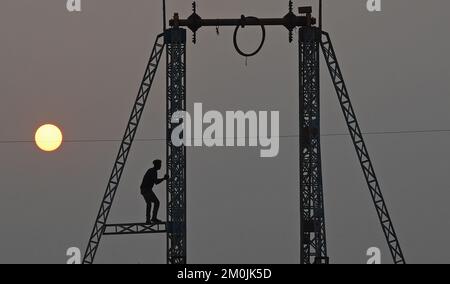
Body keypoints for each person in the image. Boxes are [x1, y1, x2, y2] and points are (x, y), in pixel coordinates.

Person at [141, 160, 169, 224]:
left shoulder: (152, 171)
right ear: (157, 165)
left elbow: (155, 181)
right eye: (160, 165)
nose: (160, 166)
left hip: (146, 189)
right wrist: (164, 179)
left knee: (150, 203)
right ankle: (152, 218)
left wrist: (163, 179)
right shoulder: (152, 171)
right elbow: (156, 182)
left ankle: (150, 219)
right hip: (146, 189)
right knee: (155, 202)